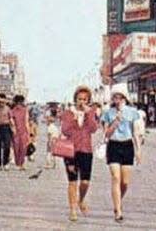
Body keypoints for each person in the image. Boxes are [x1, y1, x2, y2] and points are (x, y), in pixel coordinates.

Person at [100, 83, 141, 222]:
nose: (117, 100)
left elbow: (135, 132)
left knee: (125, 182)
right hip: (113, 145)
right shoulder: (107, 113)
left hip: (127, 145)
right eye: (115, 97)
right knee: (115, 178)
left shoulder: (132, 112)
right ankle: (118, 210)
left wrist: (138, 150)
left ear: (125, 98)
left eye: (120, 97)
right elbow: (106, 133)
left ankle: (118, 200)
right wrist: (115, 122)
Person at [61, 85, 99, 222]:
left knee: (85, 182)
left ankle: (81, 199)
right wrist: (74, 120)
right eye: (79, 99)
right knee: (72, 182)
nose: (81, 102)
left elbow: (93, 129)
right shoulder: (68, 113)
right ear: (75, 99)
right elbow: (65, 130)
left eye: (84, 99)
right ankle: (72, 209)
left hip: (86, 150)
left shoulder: (91, 112)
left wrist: (89, 114)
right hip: (70, 151)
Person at [11, 95, 30, 170]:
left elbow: (11, 122)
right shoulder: (25, 110)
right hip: (23, 131)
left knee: (16, 147)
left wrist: (13, 129)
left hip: (16, 131)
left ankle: (18, 163)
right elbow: (26, 122)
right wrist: (28, 133)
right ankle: (21, 163)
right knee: (23, 148)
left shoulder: (12, 110)